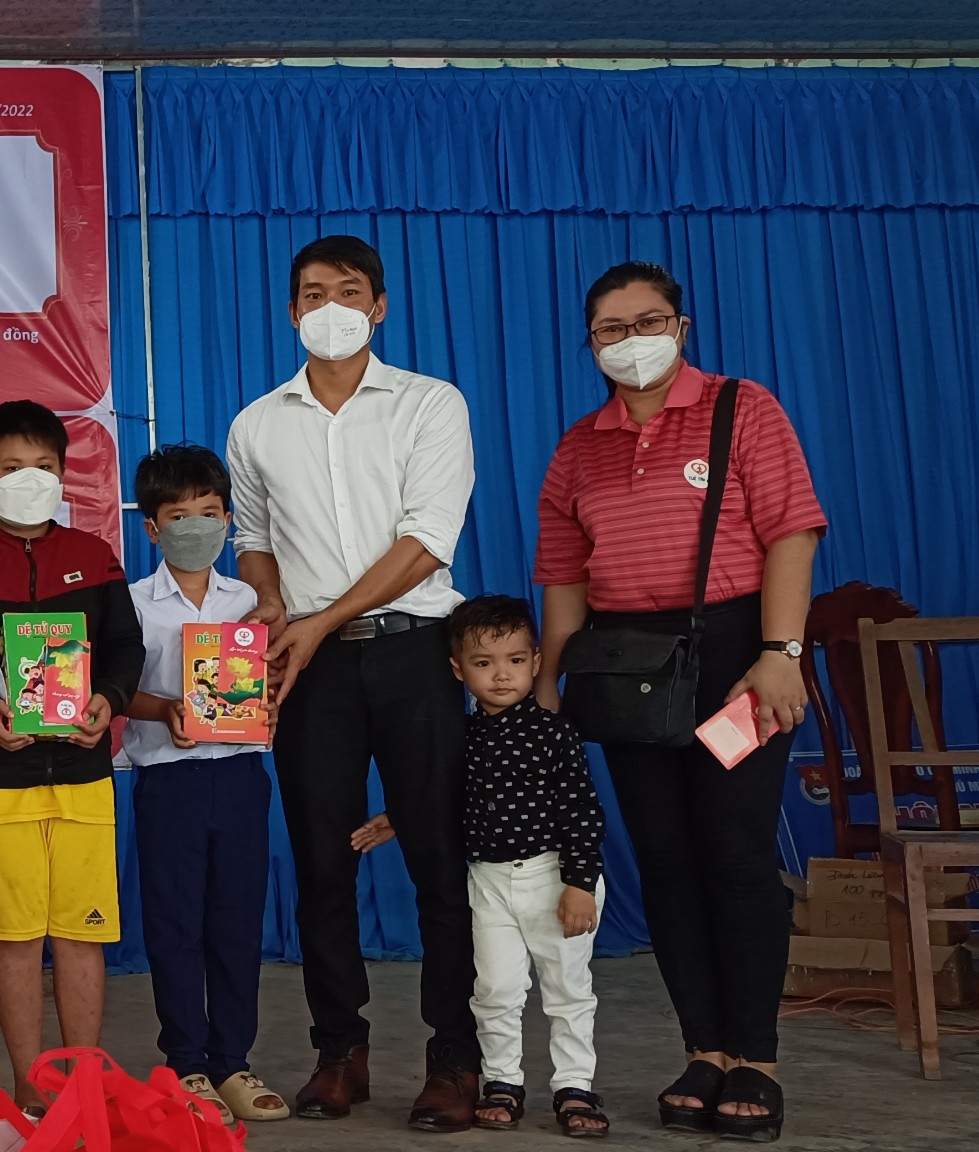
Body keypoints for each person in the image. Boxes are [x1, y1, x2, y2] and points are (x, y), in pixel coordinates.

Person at [534, 261, 825, 1143]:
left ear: (682, 327)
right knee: (663, 857)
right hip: (627, 668)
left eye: (648, 321)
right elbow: (564, 577)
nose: (631, 341)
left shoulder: (744, 409)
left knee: (734, 852)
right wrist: (549, 683)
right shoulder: (579, 446)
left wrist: (780, 653)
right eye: (611, 329)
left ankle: (757, 1059)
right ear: (590, 344)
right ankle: (705, 1049)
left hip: (737, 661)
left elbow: (791, 531)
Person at [221, 234, 480, 1130]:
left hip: (416, 651)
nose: (329, 307)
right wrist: (270, 606)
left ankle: (455, 1058)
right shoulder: (256, 424)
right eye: (311, 293)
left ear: (378, 306)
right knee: (321, 861)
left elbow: (428, 541)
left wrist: (322, 617)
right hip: (310, 666)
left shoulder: (430, 404)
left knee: (439, 861)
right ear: (291, 310)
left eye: (347, 290)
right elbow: (253, 539)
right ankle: (340, 1051)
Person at [0, 401, 143, 1113]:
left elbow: (125, 646)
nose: (29, 478)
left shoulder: (93, 555)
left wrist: (108, 699)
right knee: (14, 938)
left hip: (82, 773)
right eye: (12, 467)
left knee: (81, 933)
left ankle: (82, 1080)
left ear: (65, 472)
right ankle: (29, 1083)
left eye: (43, 465)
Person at [117, 445, 290, 1128]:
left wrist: (268, 698)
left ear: (228, 520)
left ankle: (233, 1061)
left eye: (210, 512)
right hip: (169, 781)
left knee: (236, 923)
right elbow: (115, 690)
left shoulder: (249, 601)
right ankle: (186, 1061)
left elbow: (268, 679)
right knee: (175, 924)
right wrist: (164, 710)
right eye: (179, 515)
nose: (196, 525)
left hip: (241, 776)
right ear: (152, 528)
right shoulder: (133, 603)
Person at [445, 595, 607, 1138]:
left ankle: (575, 1086)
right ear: (458, 669)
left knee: (567, 990)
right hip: (489, 881)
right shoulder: (462, 737)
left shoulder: (554, 733)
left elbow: (582, 811)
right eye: (483, 663)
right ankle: (502, 1082)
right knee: (494, 988)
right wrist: (397, 819)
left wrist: (579, 883)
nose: (501, 675)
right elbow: (445, 799)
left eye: (515, 660)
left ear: (536, 662)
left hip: (553, 877)